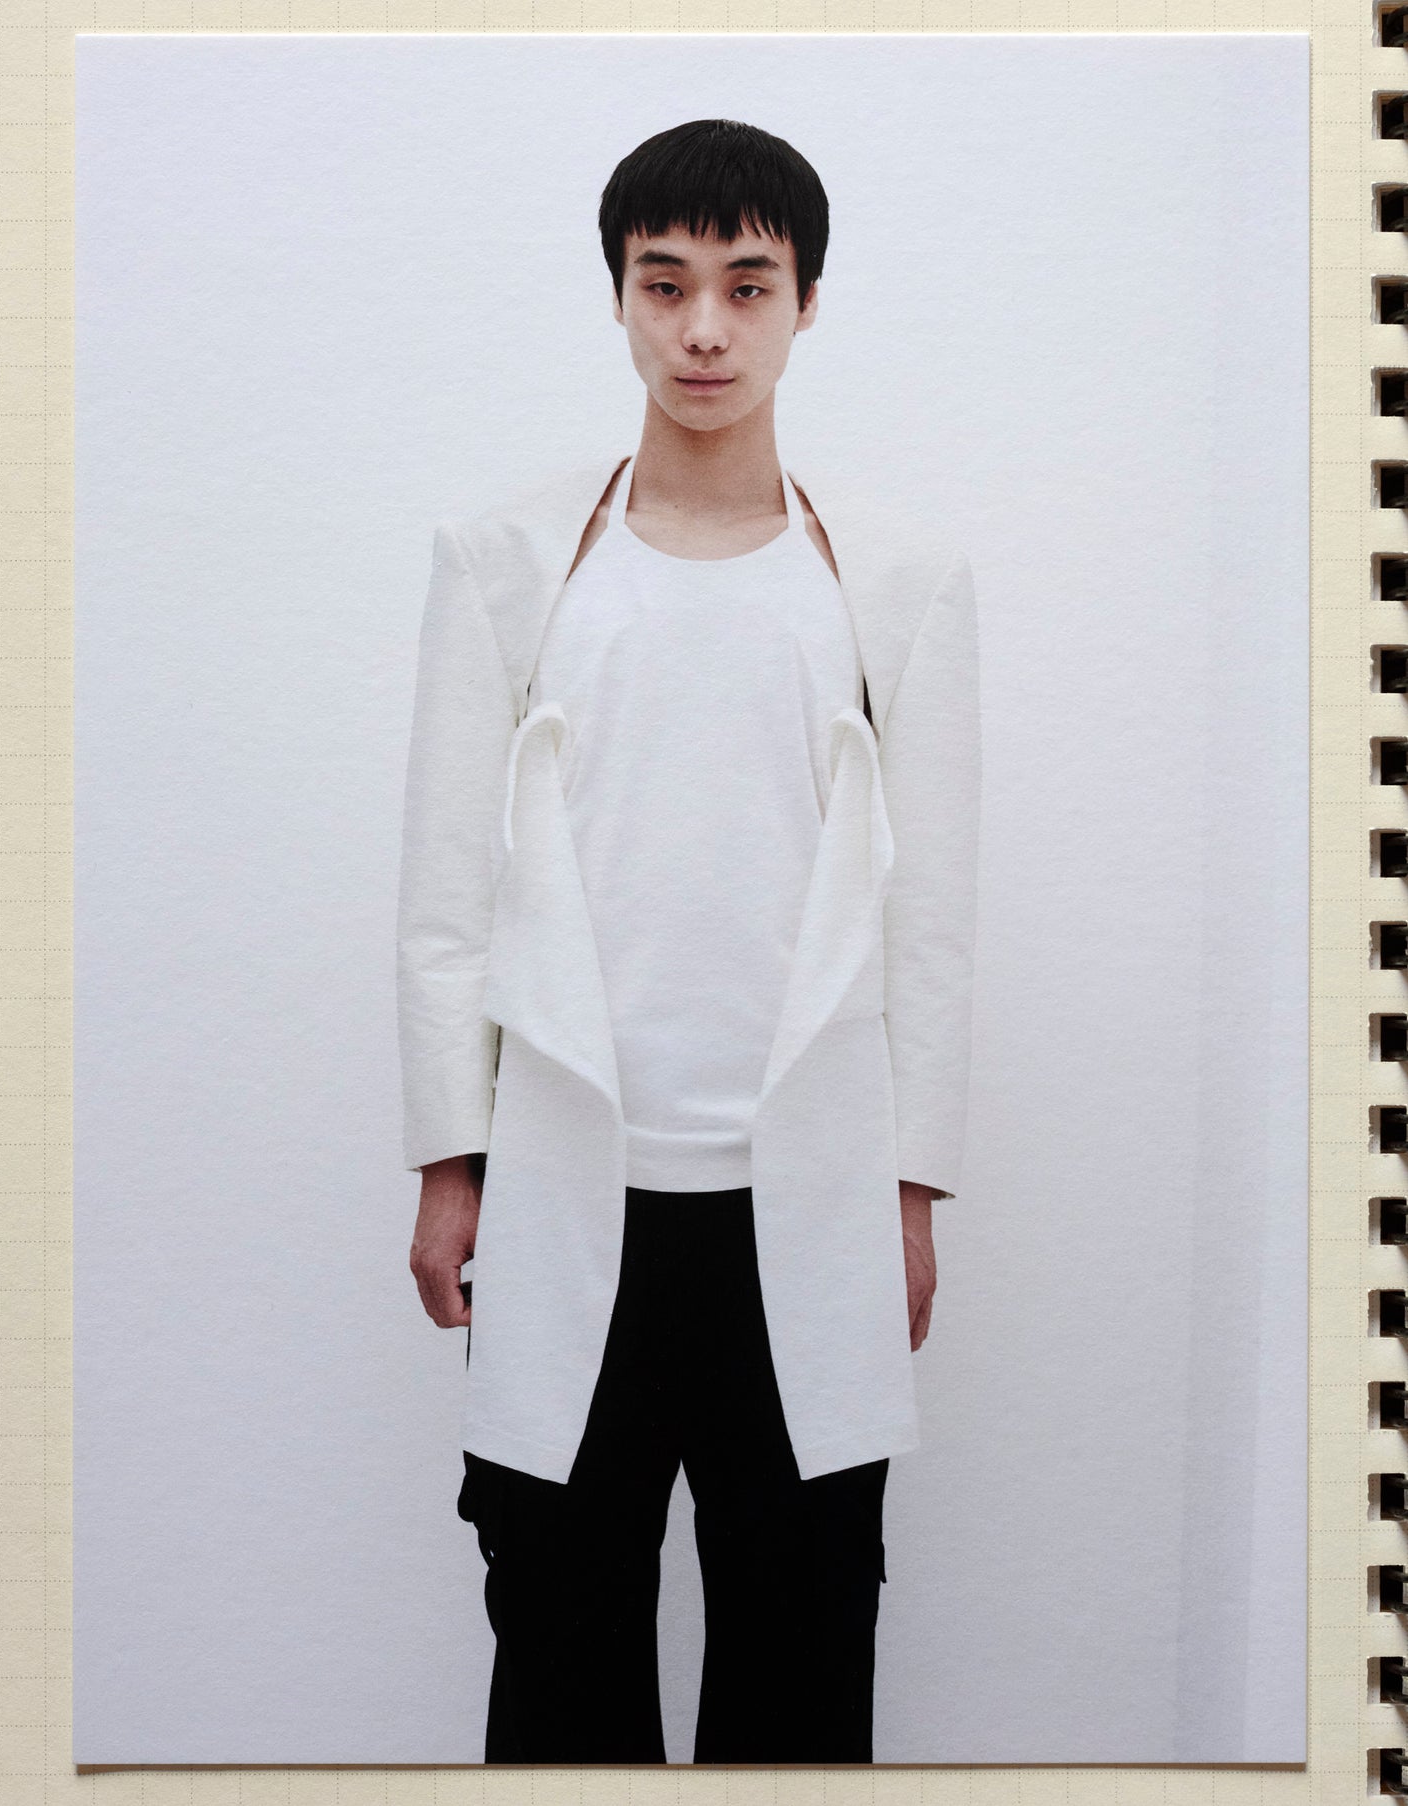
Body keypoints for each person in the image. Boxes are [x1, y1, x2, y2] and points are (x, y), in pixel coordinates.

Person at [397, 117, 981, 1765]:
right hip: (566, 1183)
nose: (704, 328)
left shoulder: (898, 581)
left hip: (808, 1193)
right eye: (665, 285)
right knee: (558, 1647)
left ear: (804, 302)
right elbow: (444, 894)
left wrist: (908, 1192)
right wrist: (450, 1162)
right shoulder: (508, 564)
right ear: (619, 299)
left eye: (745, 284)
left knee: (802, 1659)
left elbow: (930, 917)